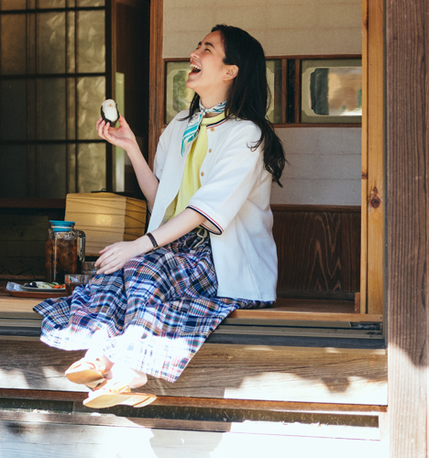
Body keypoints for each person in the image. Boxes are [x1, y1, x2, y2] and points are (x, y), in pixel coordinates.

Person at [34, 24, 286, 409]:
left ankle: (129, 368)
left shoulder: (247, 134)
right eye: (197, 46)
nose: (194, 54)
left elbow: (203, 212)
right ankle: (103, 360)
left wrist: (139, 245)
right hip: (174, 250)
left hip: (223, 260)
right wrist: (131, 148)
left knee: (143, 265)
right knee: (117, 268)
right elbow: (161, 202)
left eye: (207, 49)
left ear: (230, 71)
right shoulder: (180, 126)